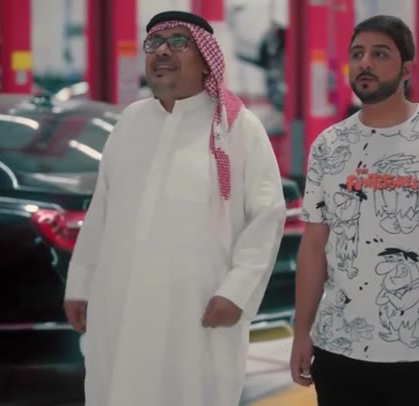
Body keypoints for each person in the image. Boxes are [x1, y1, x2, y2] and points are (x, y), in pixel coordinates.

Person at [63, 10, 286, 406]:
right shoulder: (130, 122)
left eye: (178, 42)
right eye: (154, 42)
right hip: (121, 302)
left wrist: (237, 291)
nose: (162, 51)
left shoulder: (238, 128)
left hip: (198, 310)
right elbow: (102, 211)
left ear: (206, 59)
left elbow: (266, 216)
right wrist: (80, 284)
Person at [290, 15, 419, 406]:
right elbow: (314, 246)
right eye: (357, 53)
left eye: (380, 54)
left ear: (407, 69)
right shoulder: (329, 145)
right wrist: (301, 331)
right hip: (339, 348)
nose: (365, 63)